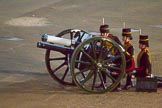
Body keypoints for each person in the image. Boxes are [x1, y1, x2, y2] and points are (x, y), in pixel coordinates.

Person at [99, 24, 122, 91]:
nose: (103, 35)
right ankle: (103, 82)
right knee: (101, 68)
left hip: (114, 58)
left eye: (104, 33)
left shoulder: (114, 38)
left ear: (107, 33)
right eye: (102, 33)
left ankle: (117, 86)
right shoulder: (101, 38)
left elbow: (120, 48)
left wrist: (115, 56)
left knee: (113, 71)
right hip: (105, 57)